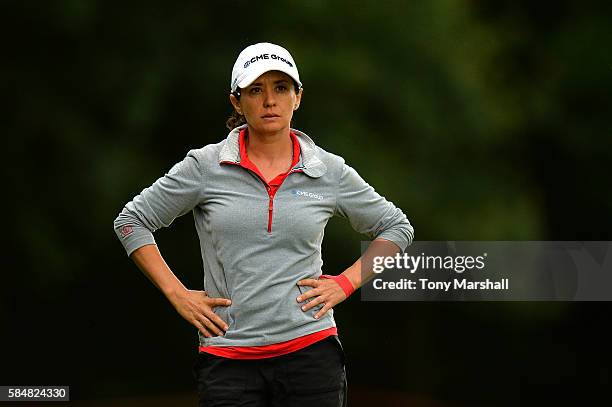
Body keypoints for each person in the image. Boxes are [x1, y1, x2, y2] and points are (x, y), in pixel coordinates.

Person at [113, 42, 414, 407]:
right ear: (237, 102)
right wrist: (177, 294)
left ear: (297, 97)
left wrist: (345, 283)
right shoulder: (205, 166)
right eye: (256, 90)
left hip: (310, 354)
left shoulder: (327, 170)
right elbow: (132, 221)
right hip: (228, 360)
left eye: (281, 88)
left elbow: (396, 228)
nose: (269, 101)